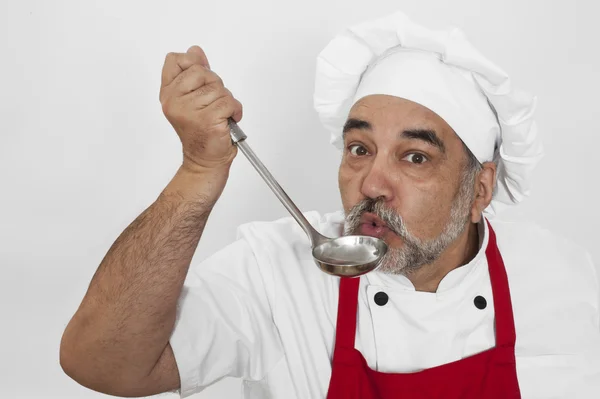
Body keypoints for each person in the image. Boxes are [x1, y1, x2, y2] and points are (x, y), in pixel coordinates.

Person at [59, 11, 600, 399]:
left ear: (480, 189)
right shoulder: (275, 271)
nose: (372, 183)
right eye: (359, 149)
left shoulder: (568, 282)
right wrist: (200, 169)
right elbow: (103, 365)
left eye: (414, 157)